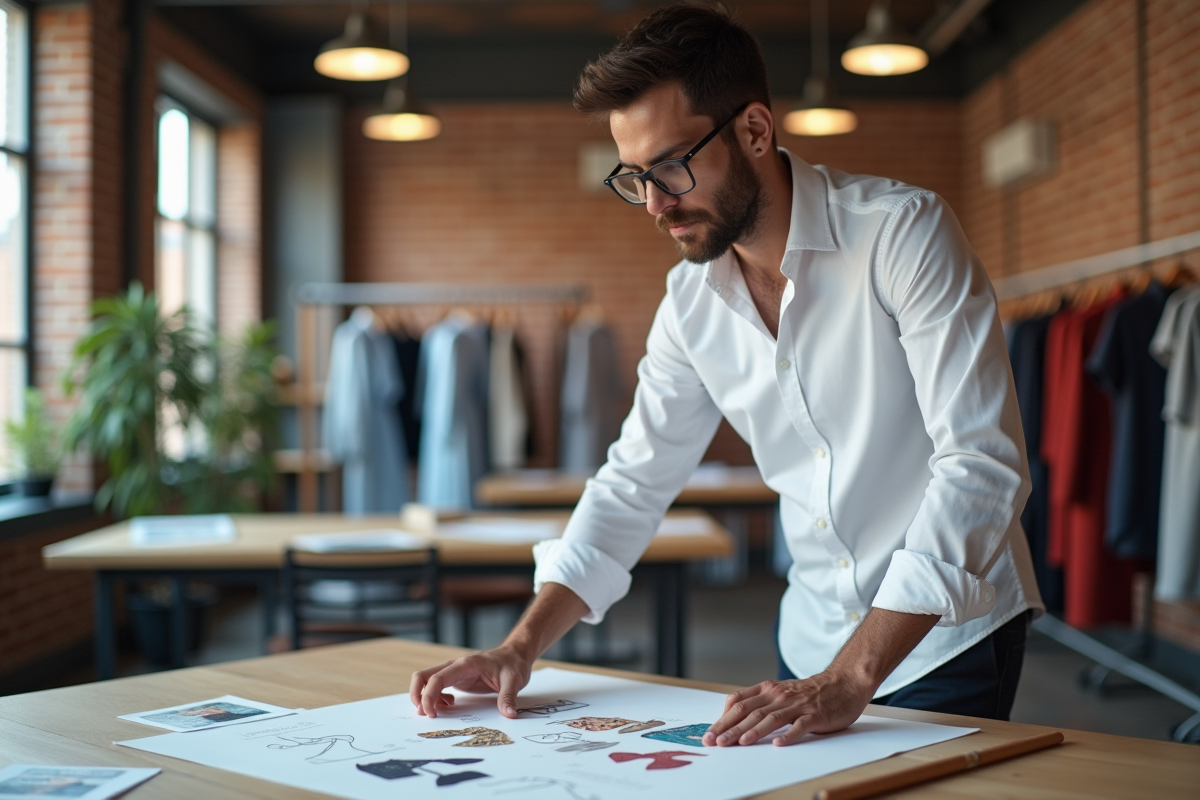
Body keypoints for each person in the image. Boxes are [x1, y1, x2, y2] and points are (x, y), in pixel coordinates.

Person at [410, 4, 1042, 747]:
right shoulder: (689, 304)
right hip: (806, 645)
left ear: (754, 130)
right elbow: (634, 481)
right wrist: (519, 646)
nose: (654, 204)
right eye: (635, 177)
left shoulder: (902, 233)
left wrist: (851, 678)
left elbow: (981, 464)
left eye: (673, 166)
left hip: (940, 639)